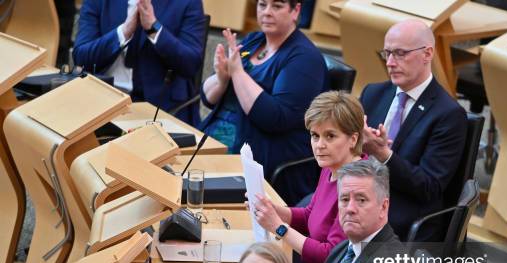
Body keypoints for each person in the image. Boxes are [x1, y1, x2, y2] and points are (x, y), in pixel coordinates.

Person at [200, 0, 329, 206]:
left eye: (276, 6)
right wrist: (223, 77)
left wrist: (238, 73)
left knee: (189, 184)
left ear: (295, 11)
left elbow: (275, 118)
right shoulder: (252, 42)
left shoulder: (305, 58)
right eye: (262, 5)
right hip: (215, 137)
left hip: (260, 152)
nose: (267, 12)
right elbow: (207, 98)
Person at [360, 20, 467, 242]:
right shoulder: (373, 93)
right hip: (358, 196)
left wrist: (384, 155)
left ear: (427, 54)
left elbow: (429, 187)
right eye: (387, 53)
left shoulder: (448, 114)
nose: (390, 62)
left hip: (402, 213)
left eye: (400, 53)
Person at [252, 91, 365, 263]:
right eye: (315, 135)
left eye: (330, 136)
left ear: (353, 139)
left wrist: (278, 227)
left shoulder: (358, 186)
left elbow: (331, 255)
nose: (319, 145)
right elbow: (309, 216)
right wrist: (273, 210)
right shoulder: (332, 166)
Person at [73, 0, 205, 126]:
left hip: (161, 110)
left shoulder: (188, 2)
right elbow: (81, 56)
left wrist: (154, 30)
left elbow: (191, 63)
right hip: (101, 104)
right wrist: (123, 33)